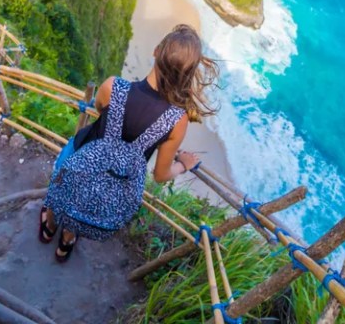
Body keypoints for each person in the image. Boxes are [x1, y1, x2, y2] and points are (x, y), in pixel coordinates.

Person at [39, 24, 218, 262]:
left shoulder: (114, 87)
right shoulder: (177, 120)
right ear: (188, 74)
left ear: (156, 51)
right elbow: (161, 175)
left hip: (82, 154)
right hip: (118, 183)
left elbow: (99, 108)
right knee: (87, 199)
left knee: (66, 182)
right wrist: (183, 164)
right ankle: (67, 241)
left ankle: (49, 227)